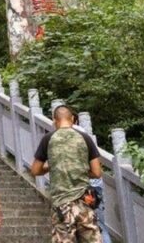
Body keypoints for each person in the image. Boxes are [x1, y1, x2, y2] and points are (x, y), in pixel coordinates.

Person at [30, 104, 103, 243]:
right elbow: (97, 172)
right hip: (84, 202)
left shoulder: (48, 139)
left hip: (61, 206)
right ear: (73, 119)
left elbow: (35, 170)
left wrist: (52, 167)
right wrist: (79, 170)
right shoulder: (85, 138)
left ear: (54, 120)